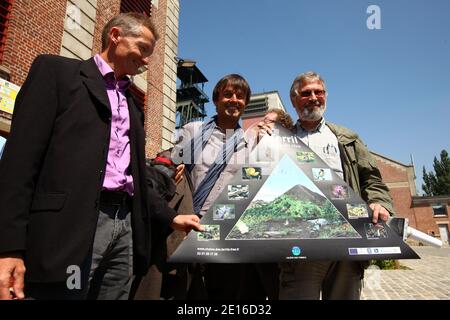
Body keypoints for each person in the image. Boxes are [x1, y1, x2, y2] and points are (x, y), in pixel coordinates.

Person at [0, 13, 201, 300]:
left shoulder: (133, 105)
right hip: (72, 229)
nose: (146, 60)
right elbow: (19, 163)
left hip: (124, 230)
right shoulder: (56, 73)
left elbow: (134, 177)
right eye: (143, 49)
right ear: (115, 35)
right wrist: (8, 247)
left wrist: (171, 218)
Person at [278, 71, 395, 300]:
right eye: (306, 93)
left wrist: (379, 202)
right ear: (293, 100)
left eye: (318, 92)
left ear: (326, 96)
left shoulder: (346, 138)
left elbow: (371, 178)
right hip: (300, 243)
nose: (313, 97)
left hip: (348, 239)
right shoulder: (281, 140)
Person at [171, 74, 253, 300]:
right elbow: (170, 166)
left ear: (245, 103)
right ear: (216, 99)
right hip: (187, 224)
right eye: (228, 94)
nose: (234, 100)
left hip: (224, 231)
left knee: (223, 293)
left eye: (240, 96)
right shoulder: (192, 130)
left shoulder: (249, 144)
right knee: (184, 293)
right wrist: (172, 167)